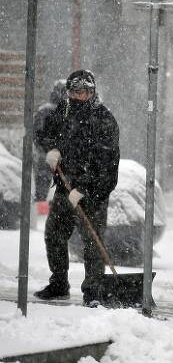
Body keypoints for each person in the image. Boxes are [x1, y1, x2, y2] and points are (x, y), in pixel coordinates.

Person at [33, 69, 120, 305]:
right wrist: (51, 149)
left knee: (92, 243)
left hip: (92, 193)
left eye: (83, 92)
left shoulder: (104, 119)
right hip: (64, 187)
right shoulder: (63, 111)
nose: (78, 96)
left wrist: (84, 190)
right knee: (54, 236)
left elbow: (108, 166)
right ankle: (59, 283)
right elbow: (43, 133)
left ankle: (93, 292)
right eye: (74, 91)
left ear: (92, 92)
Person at [33, 80, 67, 214]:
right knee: (50, 184)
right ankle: (46, 212)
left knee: (44, 185)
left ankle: (41, 213)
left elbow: (36, 134)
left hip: (48, 156)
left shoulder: (45, 111)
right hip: (52, 156)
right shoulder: (53, 111)